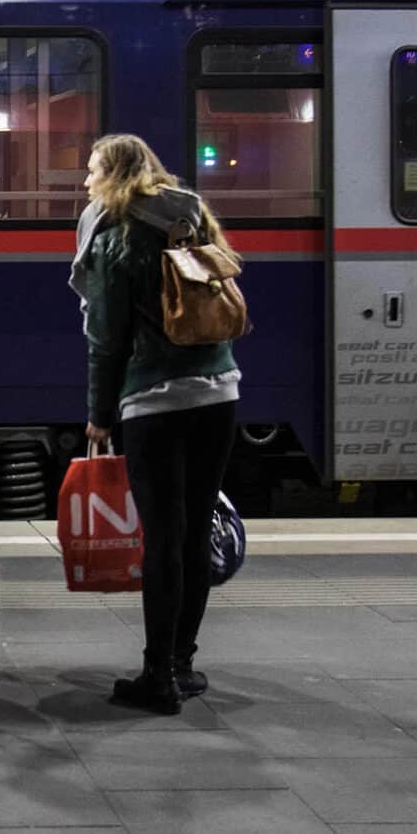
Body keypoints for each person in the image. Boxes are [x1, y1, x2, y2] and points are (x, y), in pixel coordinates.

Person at [72, 134, 242, 714]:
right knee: (195, 532)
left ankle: (156, 676)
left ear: (115, 176)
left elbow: (105, 340)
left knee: (163, 537)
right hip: (220, 392)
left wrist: (98, 416)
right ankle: (182, 663)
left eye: (93, 171)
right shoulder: (189, 221)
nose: (86, 182)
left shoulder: (116, 239)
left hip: (155, 401)